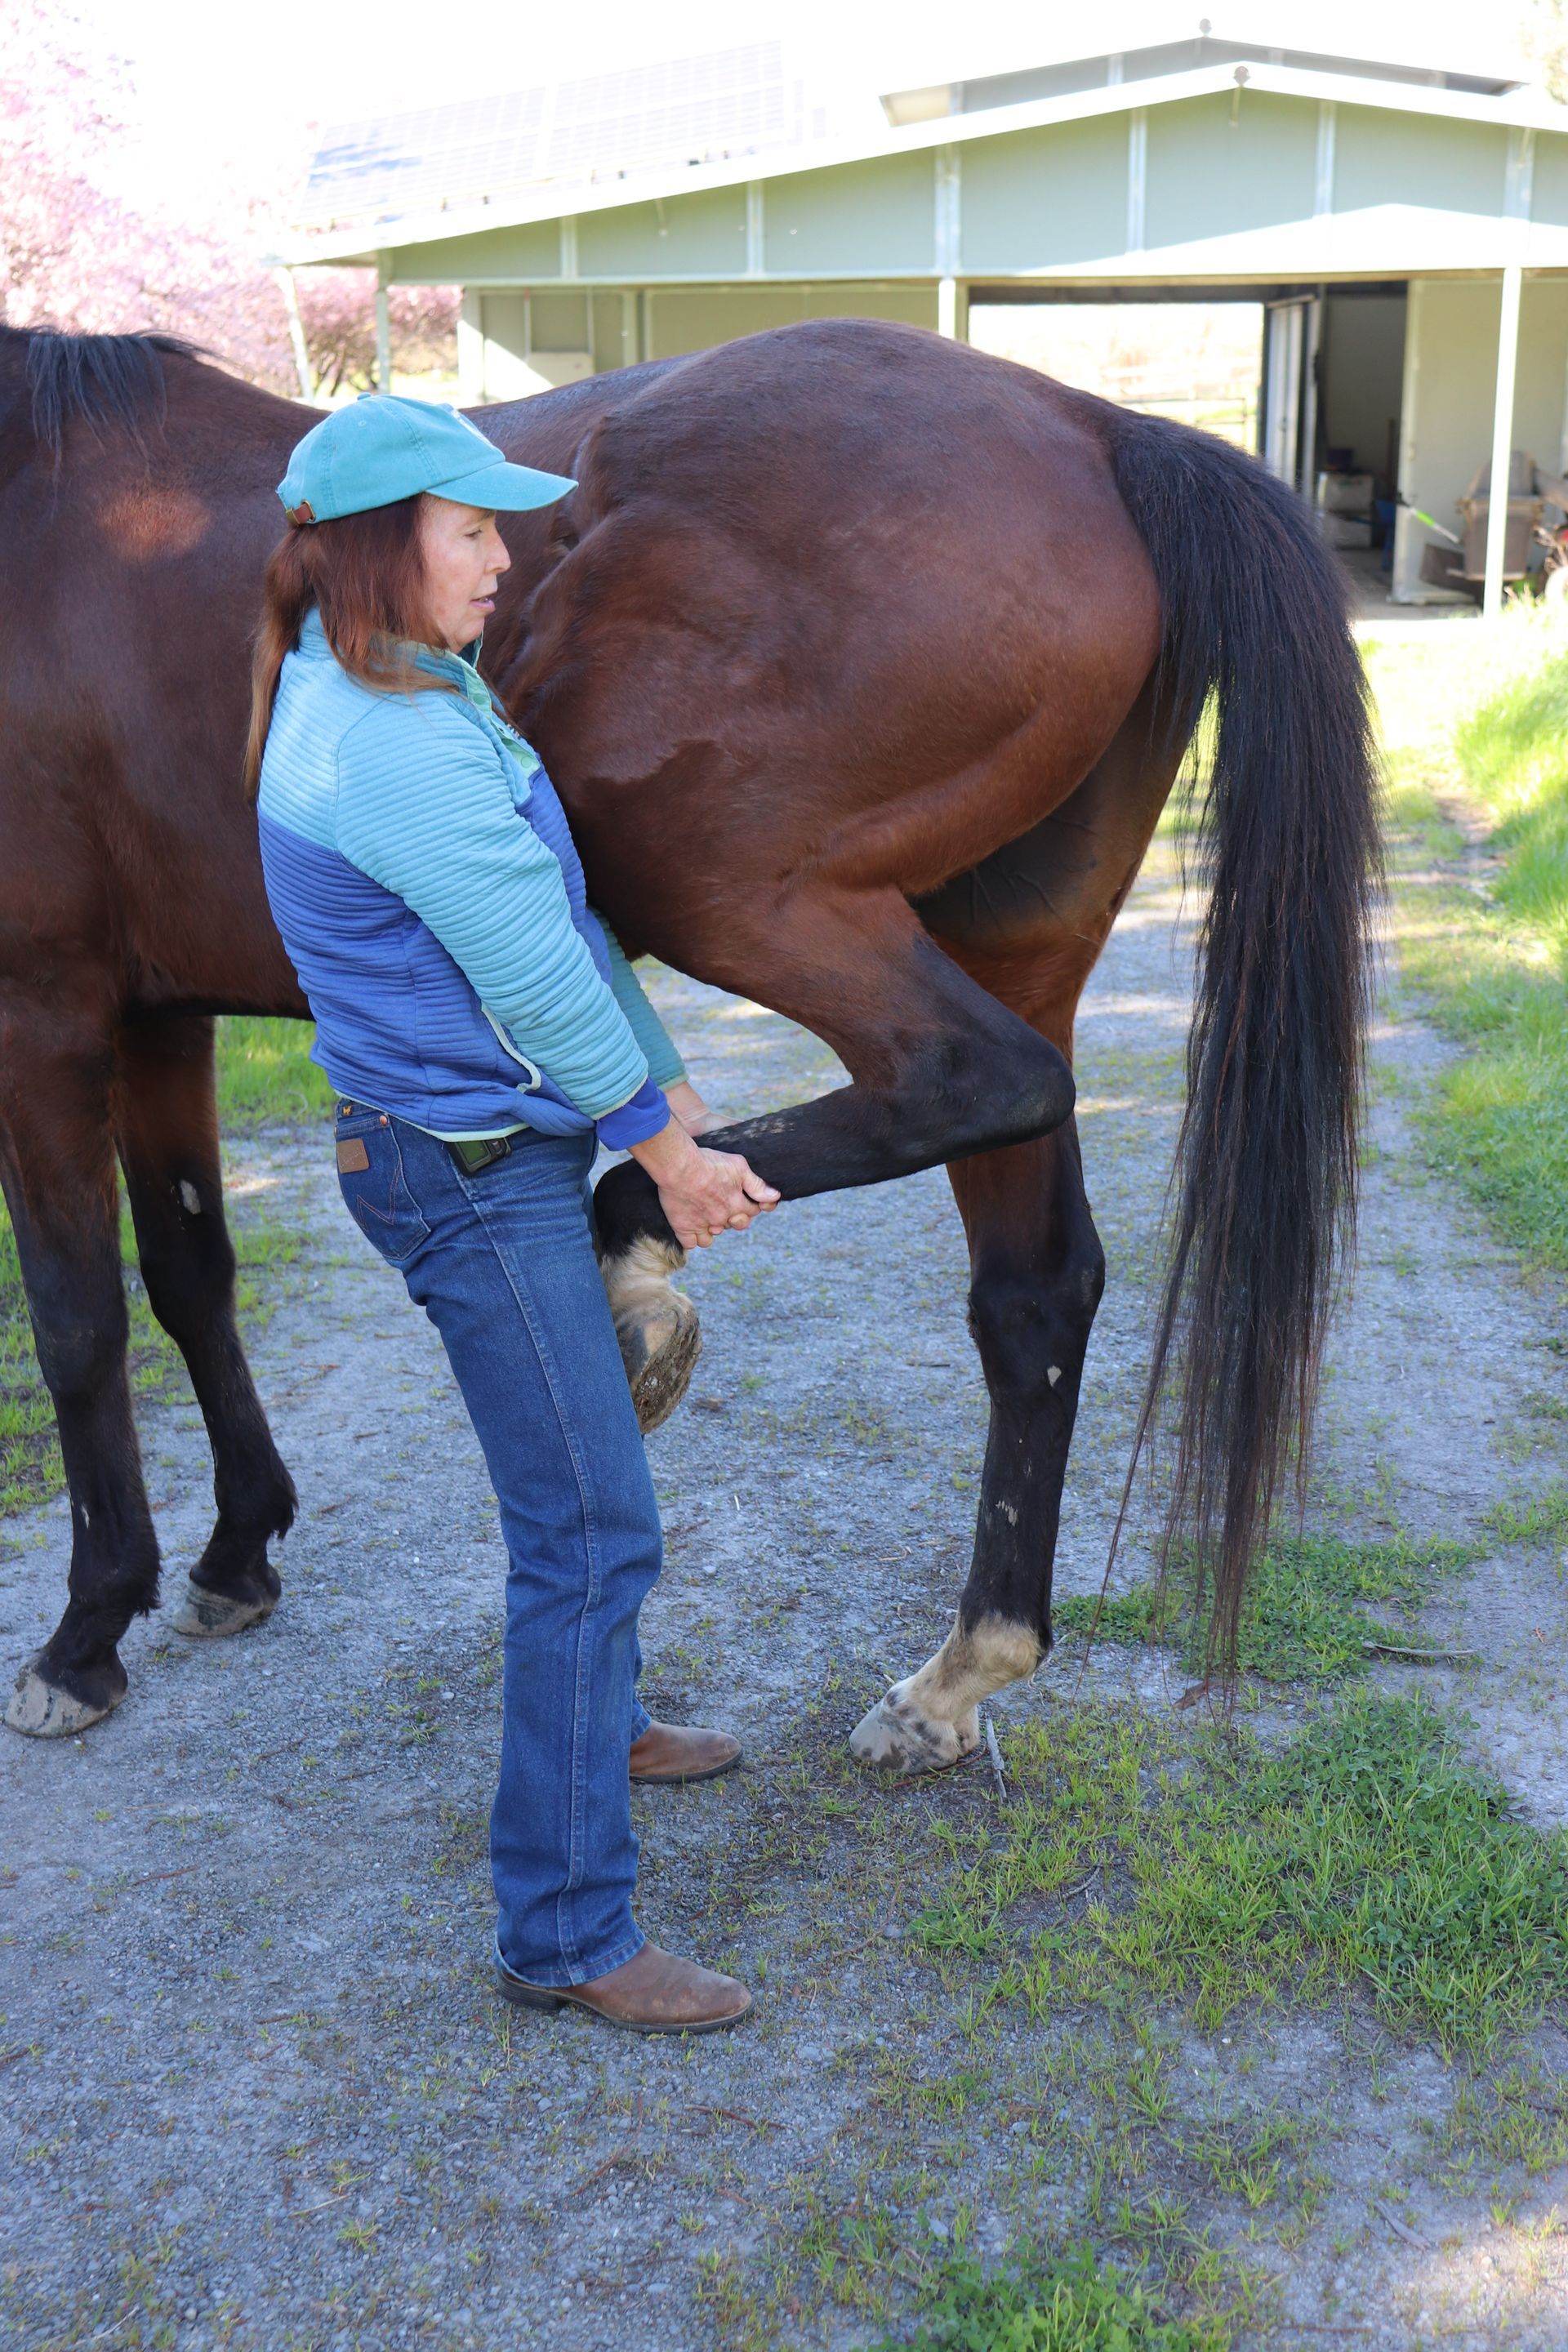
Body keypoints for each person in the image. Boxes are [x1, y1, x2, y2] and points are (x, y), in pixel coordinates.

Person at [244, 394, 778, 2034]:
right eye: (470, 529)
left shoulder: (412, 687)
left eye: (500, 526)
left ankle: (596, 1728)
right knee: (593, 1528)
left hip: (498, 1154)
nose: (505, 552)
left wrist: (663, 1104)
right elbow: (536, 969)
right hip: (463, 1181)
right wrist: (660, 1146)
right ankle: (563, 1929)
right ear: (372, 546)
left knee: (583, 1507)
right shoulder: (388, 741)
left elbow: (561, 915)